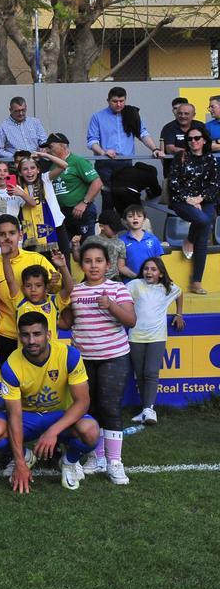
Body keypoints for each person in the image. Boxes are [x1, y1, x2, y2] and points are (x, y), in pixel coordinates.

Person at [0, 313, 99, 493]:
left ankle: (68, 462)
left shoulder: (69, 355)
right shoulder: (11, 366)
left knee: (91, 431)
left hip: (60, 415)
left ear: (48, 335)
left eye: (37, 334)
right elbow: (14, 417)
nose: (31, 340)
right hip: (27, 417)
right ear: (19, 336)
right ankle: (26, 456)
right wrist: (20, 463)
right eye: (25, 335)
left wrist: (52, 431)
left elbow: (83, 402)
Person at [65, 241, 136, 485]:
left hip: (113, 356)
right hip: (84, 359)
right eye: (88, 261)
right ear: (81, 264)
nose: (93, 265)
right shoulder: (75, 290)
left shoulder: (117, 288)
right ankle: (97, 458)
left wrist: (111, 305)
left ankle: (115, 462)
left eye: (98, 261)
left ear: (107, 264)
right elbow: (66, 323)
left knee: (110, 407)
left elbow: (131, 320)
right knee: (91, 409)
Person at [0, 214, 58, 366]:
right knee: (11, 384)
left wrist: (57, 281)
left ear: (20, 235)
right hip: (8, 336)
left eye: (12, 233)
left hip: (39, 336)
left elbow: (57, 288)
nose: (7, 238)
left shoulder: (37, 259)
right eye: (2, 234)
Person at [127, 256, 183, 426]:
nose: (148, 272)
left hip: (157, 337)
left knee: (151, 372)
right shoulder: (134, 285)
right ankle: (145, 410)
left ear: (160, 273)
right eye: (146, 269)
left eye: (153, 269)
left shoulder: (167, 288)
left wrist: (179, 313)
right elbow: (120, 298)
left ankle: (150, 409)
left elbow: (180, 294)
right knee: (141, 373)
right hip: (135, 336)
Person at [87, 87, 161, 210]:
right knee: (108, 197)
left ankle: (127, 227)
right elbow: (92, 141)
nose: (119, 104)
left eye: (121, 101)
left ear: (125, 100)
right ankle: (108, 227)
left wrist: (154, 149)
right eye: (114, 101)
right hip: (105, 163)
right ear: (108, 100)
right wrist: (103, 152)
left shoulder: (131, 114)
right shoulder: (97, 116)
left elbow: (142, 134)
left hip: (125, 163)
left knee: (125, 197)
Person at [166, 126, 218, 294]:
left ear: (204, 140)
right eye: (190, 139)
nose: (193, 141)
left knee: (203, 234)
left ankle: (196, 281)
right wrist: (189, 199)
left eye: (197, 138)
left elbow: (215, 185)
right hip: (182, 200)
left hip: (205, 200)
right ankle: (189, 239)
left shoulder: (211, 159)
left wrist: (200, 198)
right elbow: (173, 182)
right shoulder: (181, 156)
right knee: (202, 220)